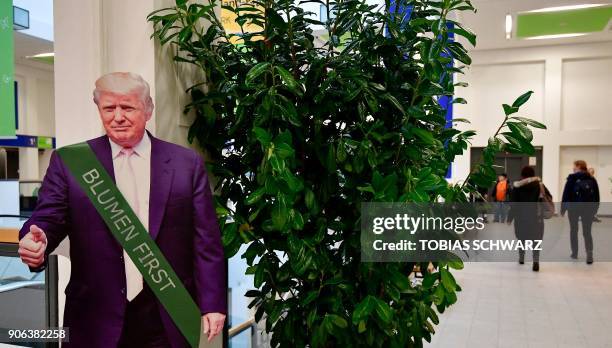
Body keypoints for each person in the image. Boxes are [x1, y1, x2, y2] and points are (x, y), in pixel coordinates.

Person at [17, 72, 227, 347]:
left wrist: (213, 303)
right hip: (95, 315)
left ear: (148, 109)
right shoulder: (71, 162)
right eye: (109, 108)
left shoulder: (185, 163)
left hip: (167, 311)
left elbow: (206, 240)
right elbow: (48, 218)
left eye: (127, 107)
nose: (117, 117)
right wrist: (37, 240)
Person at [507, 166, 548, 272]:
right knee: (537, 239)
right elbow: (548, 197)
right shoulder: (539, 185)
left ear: (522, 175)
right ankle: (536, 261)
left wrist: (510, 218)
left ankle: (521, 257)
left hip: (521, 217)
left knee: (521, 238)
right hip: (536, 217)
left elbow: (514, 204)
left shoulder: (517, 186)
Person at [561, 160, 600, 264]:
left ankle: (574, 253)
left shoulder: (572, 178)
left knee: (573, 230)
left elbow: (566, 194)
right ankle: (589, 254)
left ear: (578, 166)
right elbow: (596, 196)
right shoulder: (592, 179)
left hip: (573, 209)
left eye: (574, 166)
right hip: (588, 209)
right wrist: (595, 209)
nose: (573, 168)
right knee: (587, 232)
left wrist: (563, 209)